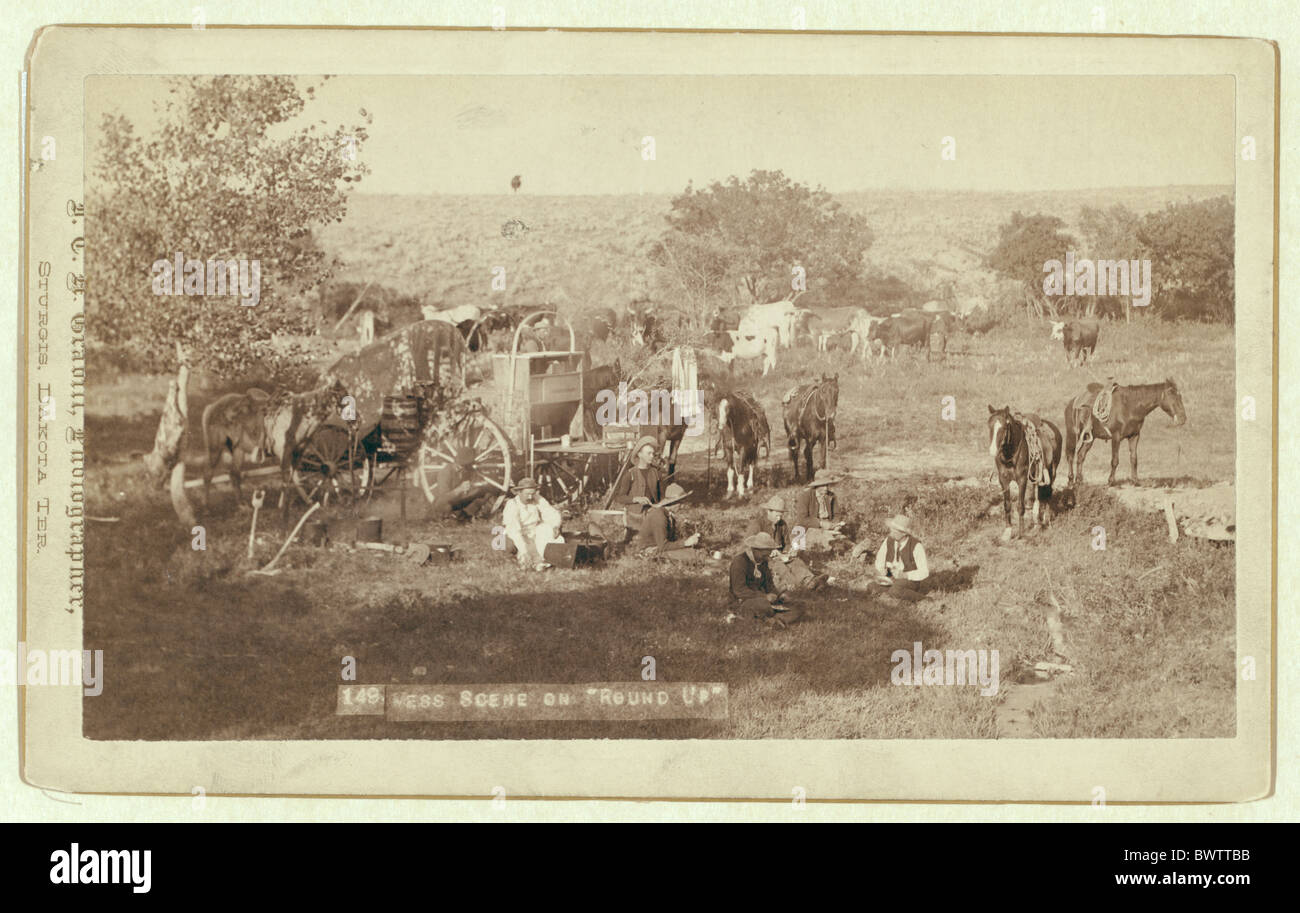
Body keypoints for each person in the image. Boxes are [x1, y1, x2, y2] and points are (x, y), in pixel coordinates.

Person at [746, 495, 827, 591]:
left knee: (796, 561)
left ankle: (810, 581)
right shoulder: (757, 524)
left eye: (781, 515)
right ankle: (795, 586)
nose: (779, 518)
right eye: (777, 515)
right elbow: (749, 545)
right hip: (764, 558)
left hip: (780, 556)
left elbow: (787, 544)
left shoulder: (782, 524)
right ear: (769, 511)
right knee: (780, 567)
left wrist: (790, 551)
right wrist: (767, 553)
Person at [501, 477, 564, 571]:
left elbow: (550, 512)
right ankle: (524, 560)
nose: (530, 497)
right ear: (519, 492)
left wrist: (555, 525)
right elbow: (514, 531)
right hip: (517, 533)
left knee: (547, 531)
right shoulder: (512, 505)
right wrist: (524, 550)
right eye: (527, 494)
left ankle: (549, 560)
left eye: (532, 493)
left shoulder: (537, 499)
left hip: (534, 531)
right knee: (520, 550)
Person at [612, 434, 666, 539]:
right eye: (648, 453)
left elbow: (662, 497)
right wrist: (636, 499)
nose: (652, 456)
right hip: (634, 515)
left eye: (653, 454)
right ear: (639, 454)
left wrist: (665, 503)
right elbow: (619, 497)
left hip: (651, 513)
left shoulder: (656, 473)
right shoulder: (630, 474)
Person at [870, 514, 930, 601]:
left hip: (909, 581)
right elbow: (880, 559)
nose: (891, 532)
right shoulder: (889, 540)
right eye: (891, 529)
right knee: (871, 586)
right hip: (890, 578)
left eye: (894, 530)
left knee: (895, 590)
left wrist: (905, 575)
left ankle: (924, 599)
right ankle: (895, 593)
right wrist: (881, 570)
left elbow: (924, 572)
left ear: (904, 533)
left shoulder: (916, 546)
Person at [632, 482, 701, 557]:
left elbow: (670, 540)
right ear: (673, 503)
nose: (682, 506)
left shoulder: (668, 514)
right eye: (680, 503)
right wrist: (685, 543)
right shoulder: (659, 516)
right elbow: (663, 546)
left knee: (697, 550)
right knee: (694, 555)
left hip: (660, 549)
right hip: (650, 551)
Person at [792, 470, 849, 549]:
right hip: (810, 528)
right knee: (826, 544)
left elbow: (837, 514)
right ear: (816, 485)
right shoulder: (804, 496)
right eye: (822, 485)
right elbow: (802, 519)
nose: (825, 488)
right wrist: (821, 523)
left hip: (828, 528)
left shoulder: (831, 496)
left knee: (843, 542)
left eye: (827, 485)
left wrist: (835, 524)